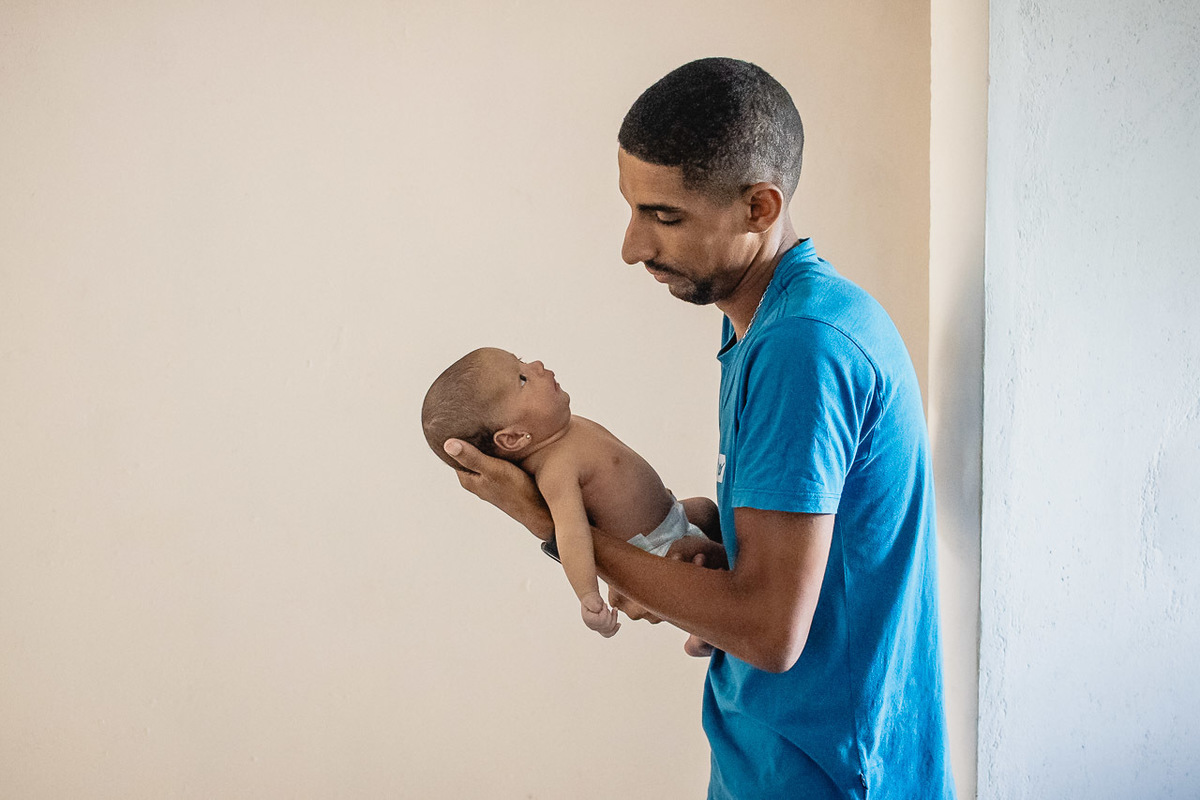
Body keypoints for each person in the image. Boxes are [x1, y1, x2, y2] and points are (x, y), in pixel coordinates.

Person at [443, 58, 955, 799]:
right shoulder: (770, 329)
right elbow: (798, 573)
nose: (632, 246)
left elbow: (770, 631)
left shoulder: (801, 347)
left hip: (826, 774)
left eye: (664, 216)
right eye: (632, 208)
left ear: (759, 207)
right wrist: (700, 548)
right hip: (776, 759)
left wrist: (553, 528)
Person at [422, 346, 720, 638]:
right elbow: (572, 533)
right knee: (703, 562)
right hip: (656, 549)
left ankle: (710, 627)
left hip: (672, 515)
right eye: (522, 379)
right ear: (513, 438)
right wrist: (588, 595)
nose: (536, 365)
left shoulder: (567, 427)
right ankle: (706, 636)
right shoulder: (555, 469)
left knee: (706, 510)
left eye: (522, 361)